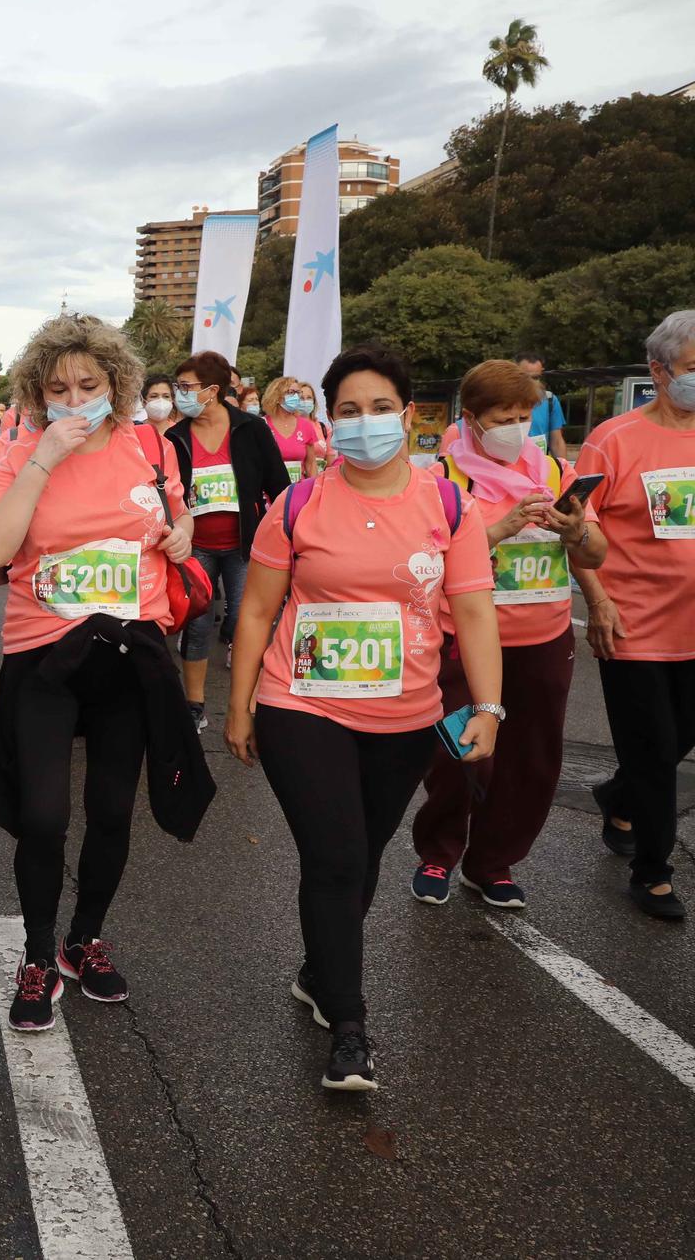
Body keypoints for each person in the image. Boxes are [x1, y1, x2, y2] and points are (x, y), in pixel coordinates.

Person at [226, 344, 502, 1093]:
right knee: (338, 855)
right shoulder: (298, 504)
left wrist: (489, 708)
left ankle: (320, 971)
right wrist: (241, 702)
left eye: (380, 407)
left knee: (364, 852)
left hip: (407, 716)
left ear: (408, 416)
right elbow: (256, 608)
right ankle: (350, 1027)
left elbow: (474, 611)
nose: (364, 422)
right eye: (347, 410)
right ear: (328, 422)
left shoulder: (450, 505)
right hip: (301, 702)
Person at [0, 315, 202, 1031]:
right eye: (59, 387)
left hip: (129, 650)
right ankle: (37, 952)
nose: (75, 398)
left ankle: (82, 939)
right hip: (44, 652)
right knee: (41, 814)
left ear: (118, 384)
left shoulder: (148, 444)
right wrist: (42, 457)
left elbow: (178, 518)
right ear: (39, 393)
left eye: (90, 384)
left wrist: (183, 531)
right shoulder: (19, 448)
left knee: (111, 809)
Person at [410, 360, 605, 909]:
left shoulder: (552, 470)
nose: (516, 427)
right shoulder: (442, 480)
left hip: (543, 638)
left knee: (531, 759)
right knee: (458, 755)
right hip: (463, 641)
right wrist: (499, 529)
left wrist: (574, 532)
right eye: (503, 418)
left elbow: (596, 551)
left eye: (524, 416)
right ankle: (438, 853)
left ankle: (493, 862)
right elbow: (426, 560)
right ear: (470, 419)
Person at [576, 312, 695, 919]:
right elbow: (577, 527)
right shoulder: (613, 440)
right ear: (660, 370)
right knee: (652, 752)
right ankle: (653, 872)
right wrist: (597, 599)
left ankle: (617, 796)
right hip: (633, 624)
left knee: (677, 741)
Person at [166, 352, 290, 731]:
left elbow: (279, 486)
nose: (179, 394)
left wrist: (279, 534)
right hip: (195, 546)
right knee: (198, 623)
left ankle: (250, 700)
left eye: (187, 387)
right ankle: (194, 703)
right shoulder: (175, 437)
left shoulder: (250, 429)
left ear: (213, 390)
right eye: (178, 387)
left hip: (244, 546)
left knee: (243, 619)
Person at [262, 376, 328, 483]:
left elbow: (311, 464)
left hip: (296, 492)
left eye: (298, 393)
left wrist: (312, 490)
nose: (296, 396)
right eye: (291, 392)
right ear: (277, 396)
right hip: (268, 494)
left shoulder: (305, 425)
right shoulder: (262, 424)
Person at [516, 351, 572, 462]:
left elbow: (556, 442)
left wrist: (564, 472)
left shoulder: (550, 400)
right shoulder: (502, 399)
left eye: (536, 378)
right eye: (525, 377)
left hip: (539, 467)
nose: (531, 383)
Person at [141, 373, 176, 438]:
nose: (161, 401)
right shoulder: (134, 431)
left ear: (172, 400)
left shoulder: (179, 433)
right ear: (143, 401)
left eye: (166, 396)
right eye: (154, 396)